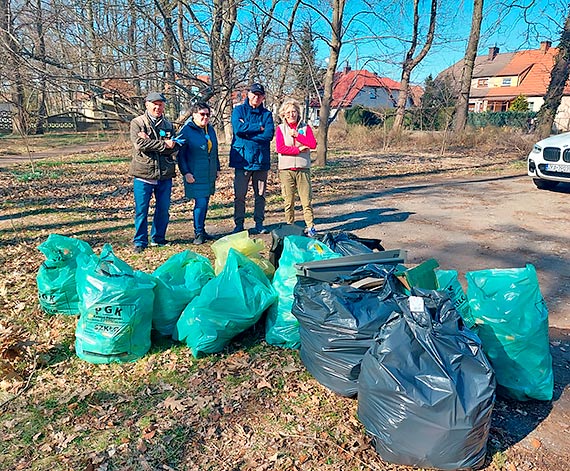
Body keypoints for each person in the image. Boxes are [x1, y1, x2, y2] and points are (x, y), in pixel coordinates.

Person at [129, 92, 179, 253]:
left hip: (165, 173)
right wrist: (165, 144)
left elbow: (176, 146)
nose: (158, 107)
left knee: (163, 209)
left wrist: (152, 143)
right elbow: (140, 145)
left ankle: (158, 238)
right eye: (154, 104)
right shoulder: (137, 123)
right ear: (147, 104)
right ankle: (140, 241)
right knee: (142, 210)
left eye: (161, 104)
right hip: (143, 173)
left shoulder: (168, 125)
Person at [229, 82, 275, 234]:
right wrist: (258, 128)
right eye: (254, 94)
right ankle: (239, 224)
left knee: (260, 195)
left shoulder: (267, 115)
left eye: (259, 95)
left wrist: (247, 132)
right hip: (242, 160)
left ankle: (259, 223)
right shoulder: (238, 111)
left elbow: (268, 135)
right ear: (248, 94)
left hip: (261, 160)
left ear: (263, 97)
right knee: (239, 195)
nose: (256, 97)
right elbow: (238, 129)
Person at [176, 102, 220, 245]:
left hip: (209, 172)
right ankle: (198, 233)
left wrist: (217, 168)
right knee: (200, 203)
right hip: (194, 173)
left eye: (208, 114)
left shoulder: (210, 130)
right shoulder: (186, 131)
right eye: (202, 114)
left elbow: (214, 151)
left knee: (205, 202)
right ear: (194, 115)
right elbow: (180, 155)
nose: (205, 117)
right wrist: (186, 172)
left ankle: (203, 229)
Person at [276, 98, 318, 236]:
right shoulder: (281, 129)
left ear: (298, 113)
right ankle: (290, 227)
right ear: (283, 114)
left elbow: (312, 144)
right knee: (289, 201)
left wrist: (298, 136)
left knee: (306, 200)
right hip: (286, 170)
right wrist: (299, 150)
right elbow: (280, 148)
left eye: (294, 111)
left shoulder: (305, 128)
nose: (291, 114)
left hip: (303, 168)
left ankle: (311, 227)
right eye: (288, 112)